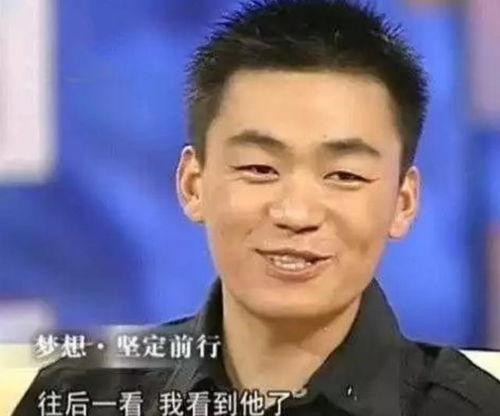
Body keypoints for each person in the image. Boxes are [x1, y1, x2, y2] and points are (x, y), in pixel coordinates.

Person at [13, 0, 500, 415]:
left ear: (403, 201)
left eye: (344, 175)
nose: (296, 213)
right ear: (192, 184)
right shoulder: (83, 392)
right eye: (259, 168)